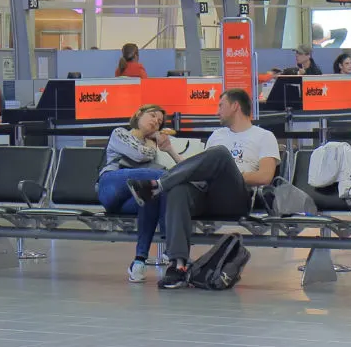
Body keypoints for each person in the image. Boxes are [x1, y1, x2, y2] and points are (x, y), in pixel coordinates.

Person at [128, 89, 279, 290]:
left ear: (235, 106)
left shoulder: (264, 136)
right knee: (179, 190)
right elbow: (196, 170)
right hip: (207, 194)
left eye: (220, 105)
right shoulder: (217, 135)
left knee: (220, 155)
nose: (217, 111)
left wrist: (230, 170)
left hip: (236, 196)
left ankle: (159, 185)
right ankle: (178, 265)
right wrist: (170, 150)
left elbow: (265, 176)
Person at [96, 104, 182, 283]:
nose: (155, 122)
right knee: (164, 178)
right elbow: (139, 155)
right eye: (152, 116)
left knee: (153, 195)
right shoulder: (120, 133)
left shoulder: (155, 148)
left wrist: (168, 149)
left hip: (129, 200)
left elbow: (178, 165)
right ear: (138, 114)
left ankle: (139, 261)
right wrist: (152, 142)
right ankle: (169, 244)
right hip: (110, 185)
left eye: (159, 122)